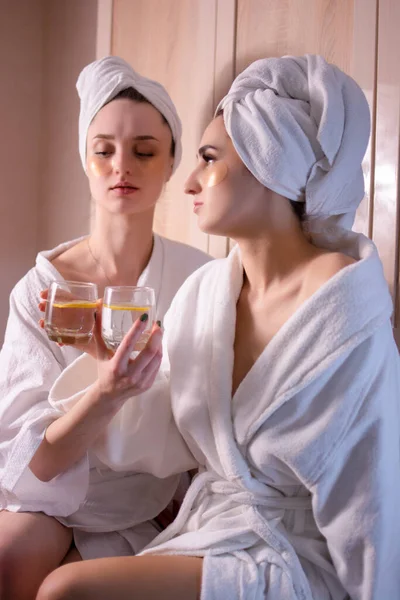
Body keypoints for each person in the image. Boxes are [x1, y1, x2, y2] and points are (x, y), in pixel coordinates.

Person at [37, 55, 400, 600]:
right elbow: (161, 436)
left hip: (300, 554)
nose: (189, 183)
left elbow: (369, 495)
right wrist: (110, 374)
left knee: (67, 591)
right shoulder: (208, 295)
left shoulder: (340, 308)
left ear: (267, 160)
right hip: (221, 531)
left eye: (209, 159)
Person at [0, 56, 211, 600]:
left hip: (150, 503)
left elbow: (215, 419)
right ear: (84, 160)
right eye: (104, 151)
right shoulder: (42, 290)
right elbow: (33, 461)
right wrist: (107, 392)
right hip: (51, 495)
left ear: (170, 165)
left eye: (145, 151)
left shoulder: (200, 279)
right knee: (8, 562)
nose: (124, 166)